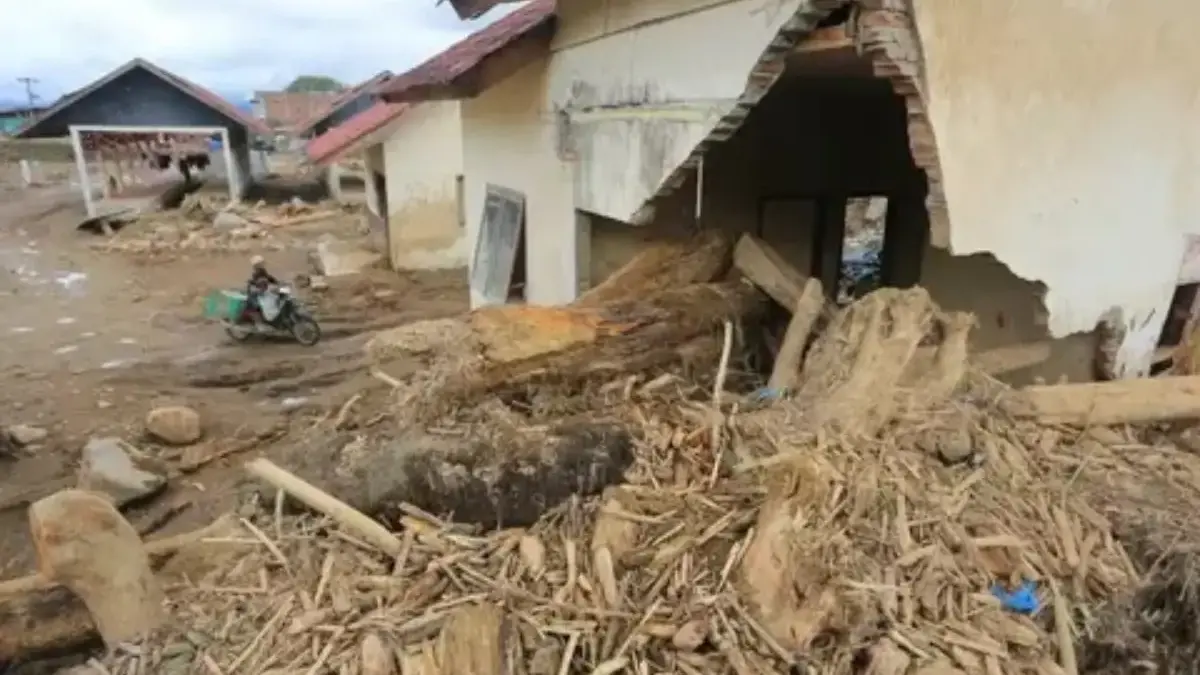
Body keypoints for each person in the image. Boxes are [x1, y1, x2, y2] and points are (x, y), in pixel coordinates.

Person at [246, 256, 280, 322]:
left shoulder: (263, 272)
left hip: (264, 292)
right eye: (261, 263)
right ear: (257, 265)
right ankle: (260, 323)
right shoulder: (256, 274)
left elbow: (270, 278)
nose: (263, 265)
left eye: (262, 263)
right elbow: (255, 284)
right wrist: (259, 288)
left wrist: (277, 283)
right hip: (258, 294)